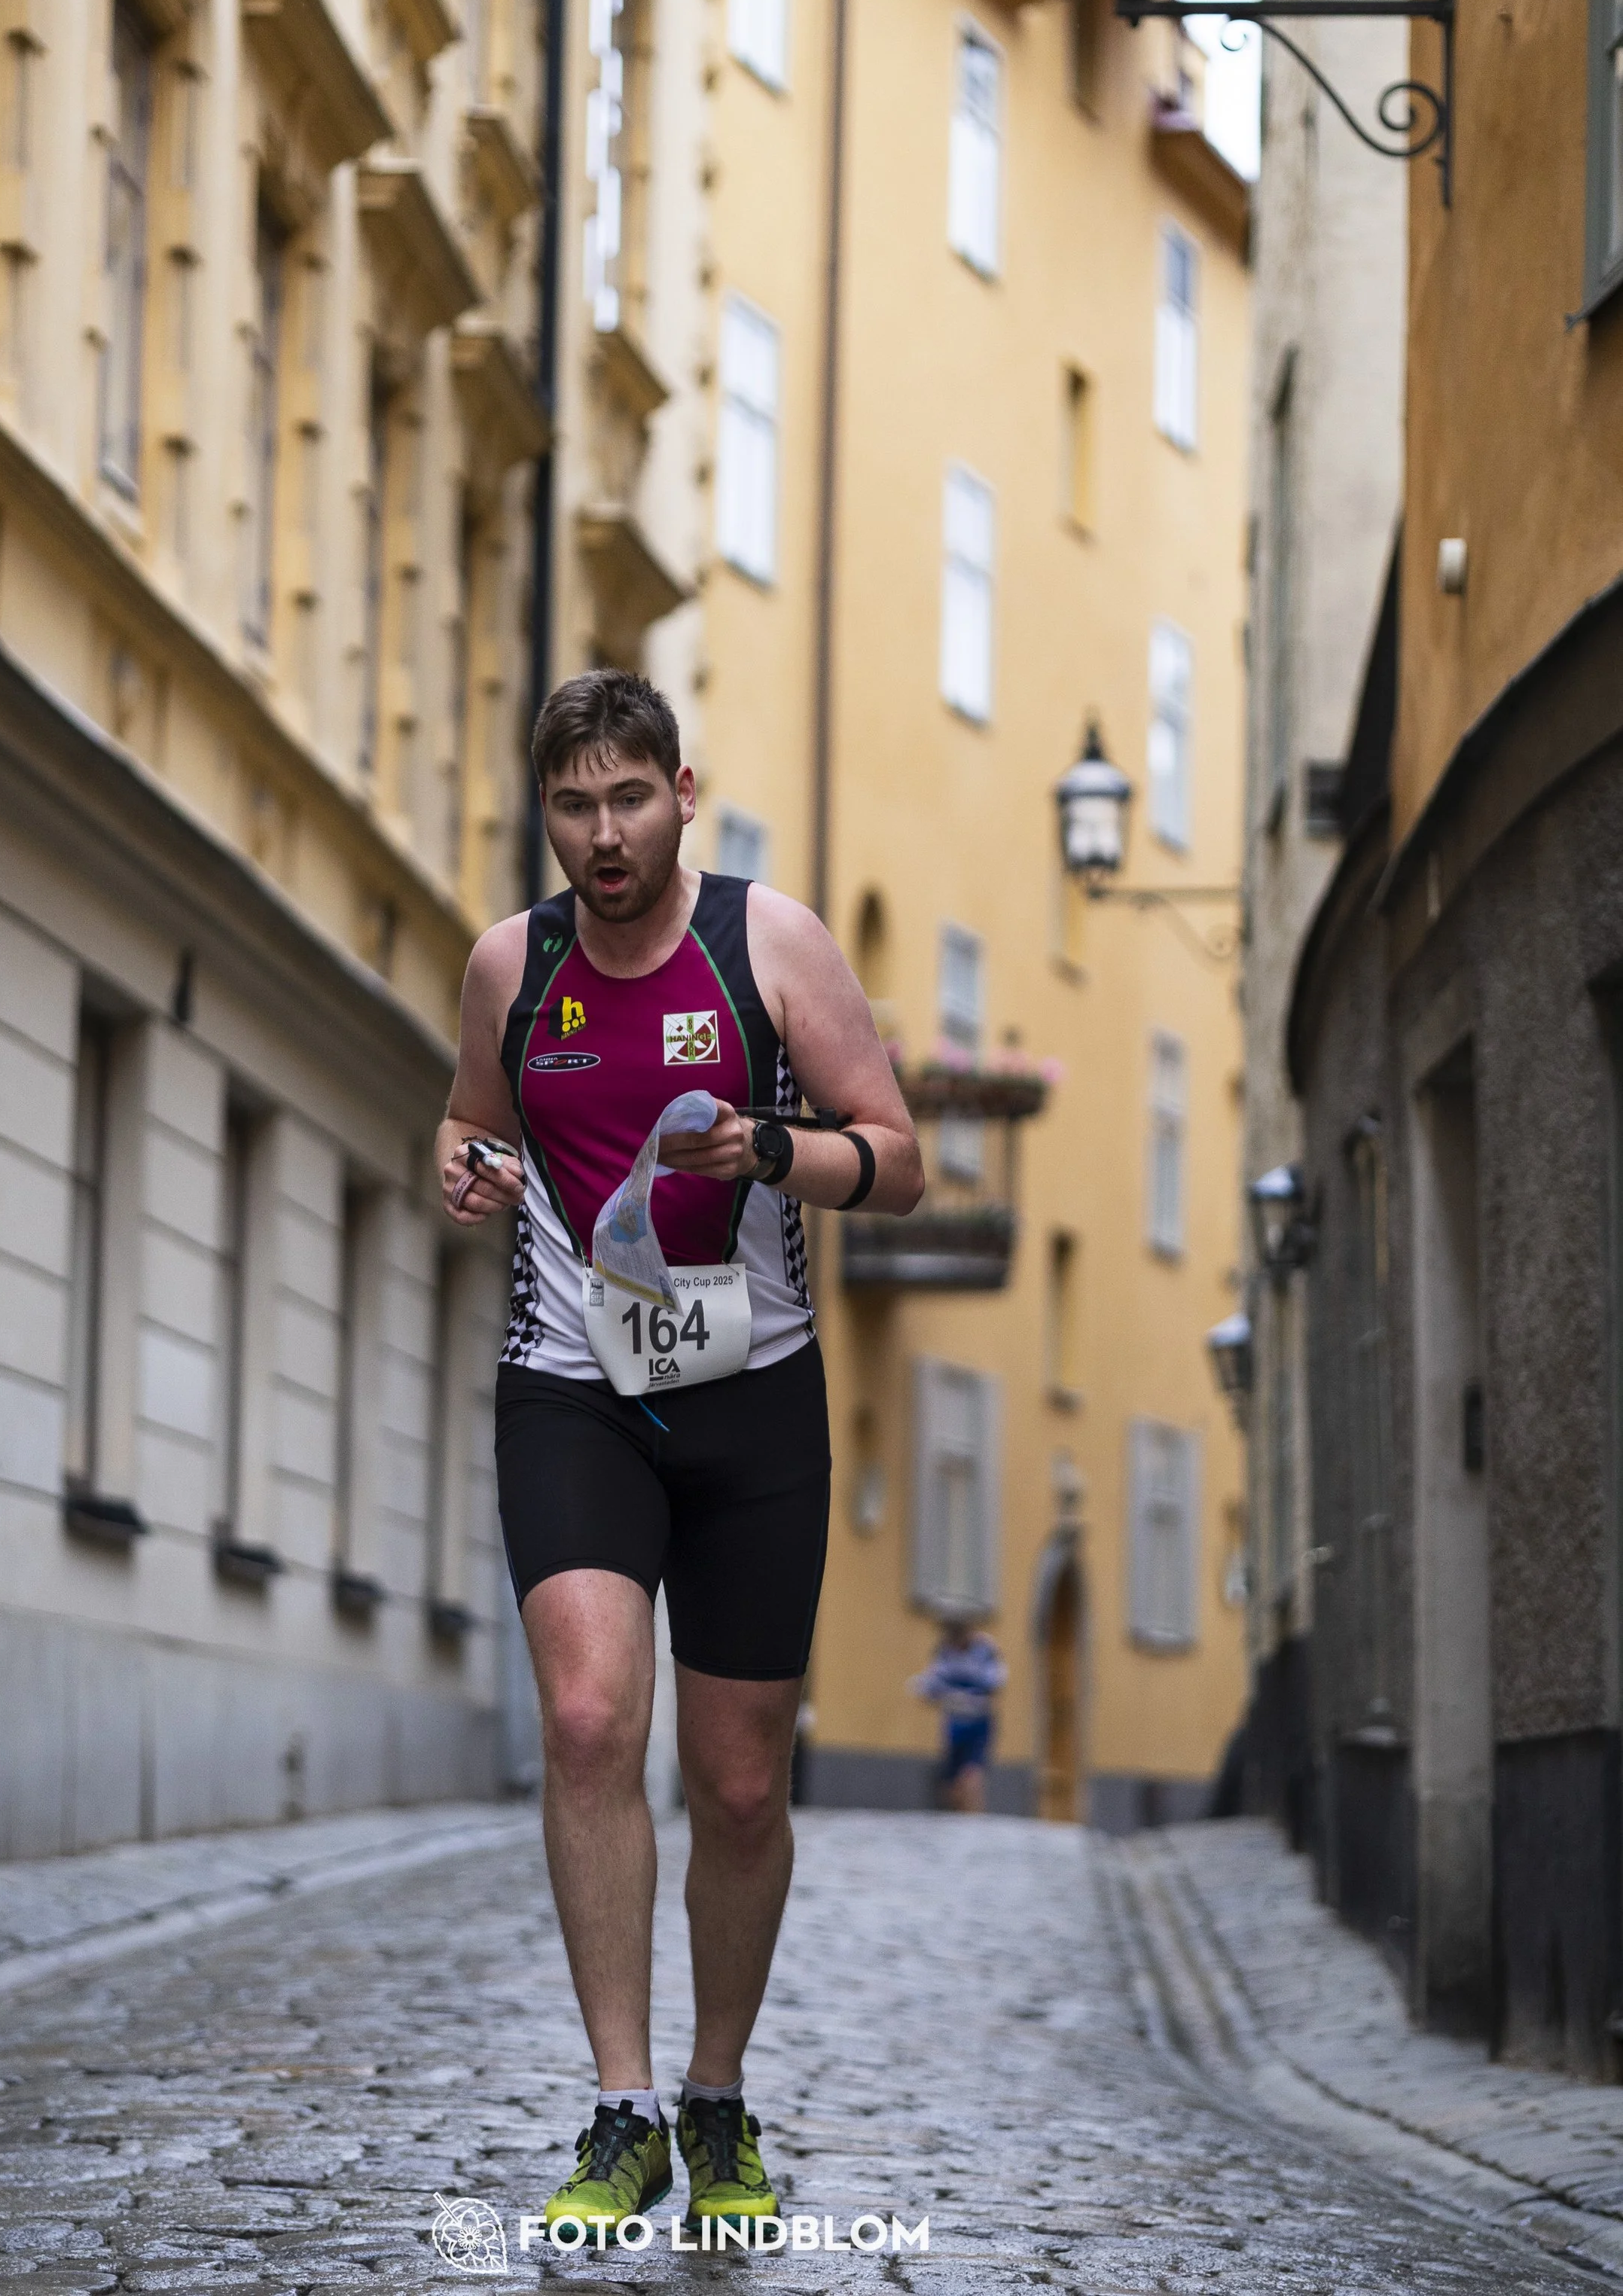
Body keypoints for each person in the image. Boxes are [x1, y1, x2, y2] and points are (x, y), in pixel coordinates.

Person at [438, 668, 923, 2242]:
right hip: (571, 1379)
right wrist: (463, 1169)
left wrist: (770, 1146)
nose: (602, 835)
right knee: (586, 1716)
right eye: (571, 805)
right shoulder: (508, 964)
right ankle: (621, 2103)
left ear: (681, 791)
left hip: (749, 1392)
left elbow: (896, 1158)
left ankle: (717, 2095)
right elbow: (466, 1124)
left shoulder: (764, 945)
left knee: (731, 1779)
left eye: (627, 799)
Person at [911, 1618, 1007, 1813]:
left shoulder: (985, 1650)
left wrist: (968, 1696)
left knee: (972, 1773)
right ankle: (956, 1815)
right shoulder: (946, 1651)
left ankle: (973, 1817)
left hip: (979, 1720)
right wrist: (925, 1688)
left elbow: (995, 1682)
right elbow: (934, 1682)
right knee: (951, 1780)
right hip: (955, 1721)